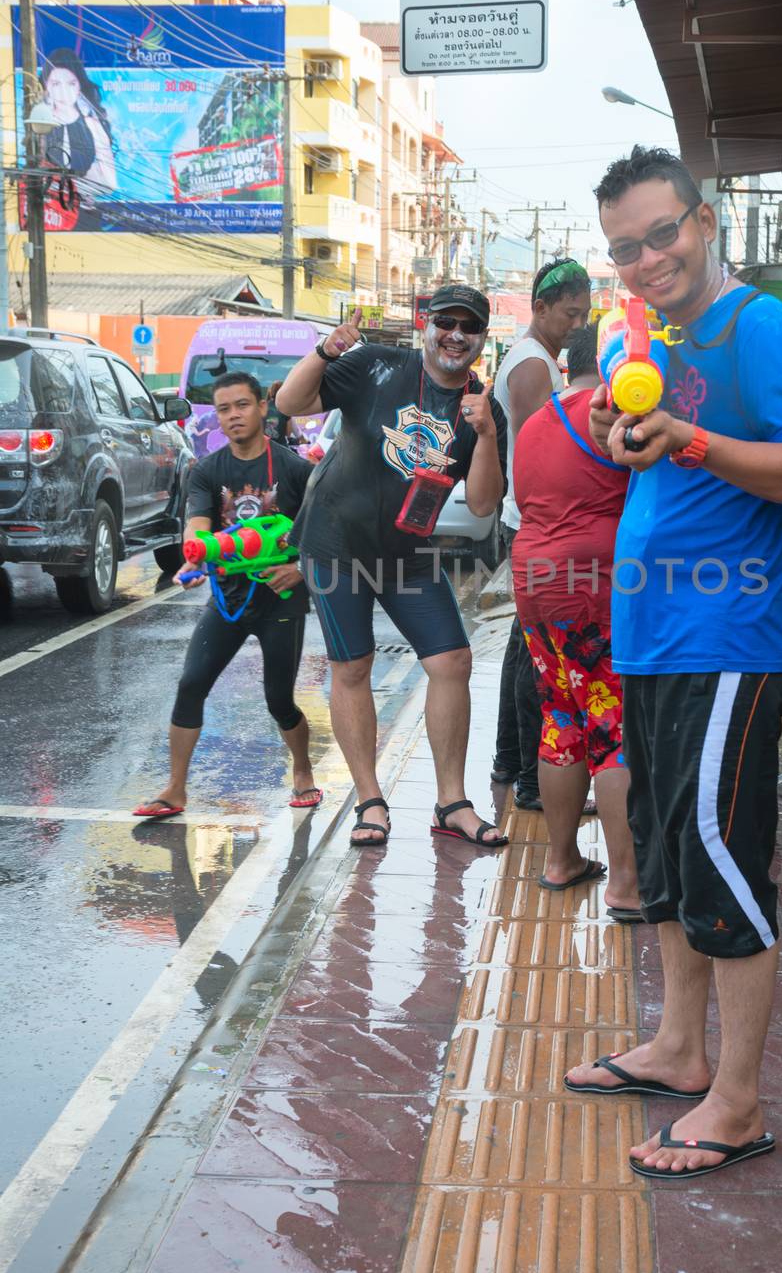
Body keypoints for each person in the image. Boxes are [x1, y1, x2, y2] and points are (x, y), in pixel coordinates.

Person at [564, 145, 782, 1182]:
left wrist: (687, 439)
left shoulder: (761, 328)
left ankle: (739, 1100)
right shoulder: (662, 337)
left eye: (660, 233)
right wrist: (621, 431)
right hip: (655, 639)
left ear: (706, 219)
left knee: (722, 860)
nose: (645, 258)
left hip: (728, 644)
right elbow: (669, 459)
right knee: (670, 856)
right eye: (624, 247)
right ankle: (679, 1052)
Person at [276, 285, 508, 848]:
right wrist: (326, 351)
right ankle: (370, 801)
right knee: (353, 667)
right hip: (335, 544)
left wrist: (487, 434)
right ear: (426, 324)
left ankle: (451, 802)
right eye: (446, 322)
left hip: (408, 553)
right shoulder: (377, 365)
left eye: (469, 327)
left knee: (451, 660)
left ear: (481, 339)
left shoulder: (482, 406)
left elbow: (482, 504)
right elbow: (289, 404)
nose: (456, 334)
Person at [133, 372, 317, 820]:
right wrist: (195, 558)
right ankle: (175, 789)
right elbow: (198, 525)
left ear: (262, 407)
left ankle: (304, 769)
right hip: (229, 599)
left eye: (242, 405)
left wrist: (299, 571)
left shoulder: (294, 470)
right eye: (223, 409)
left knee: (278, 699)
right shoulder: (208, 470)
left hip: (279, 598)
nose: (233, 415)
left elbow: (322, 534)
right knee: (191, 683)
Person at [511, 324, 640, 918]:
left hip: (534, 582)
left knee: (562, 716)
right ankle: (627, 886)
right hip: (591, 585)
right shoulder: (610, 414)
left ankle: (561, 861)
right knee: (612, 728)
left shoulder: (538, 420)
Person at [491, 258, 592, 814]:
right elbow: (543, 456)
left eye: (584, 316)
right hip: (535, 521)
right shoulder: (532, 366)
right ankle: (532, 779)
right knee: (537, 656)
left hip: (532, 520)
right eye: (570, 314)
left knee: (522, 649)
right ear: (540, 308)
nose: (577, 325)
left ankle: (510, 761)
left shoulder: (540, 360)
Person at [40, 47, 117, 230]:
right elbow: (33, 176)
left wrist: (76, 187)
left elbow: (110, 182)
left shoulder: (93, 125)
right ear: (47, 86)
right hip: (49, 217)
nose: (63, 91)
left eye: (71, 83)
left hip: (85, 217)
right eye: (56, 84)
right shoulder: (40, 125)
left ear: (79, 86)